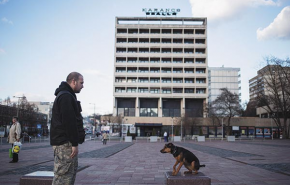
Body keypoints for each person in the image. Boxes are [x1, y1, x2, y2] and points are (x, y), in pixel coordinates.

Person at [50, 72, 85, 185]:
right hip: (65, 143)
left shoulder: (66, 95)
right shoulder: (66, 97)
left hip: (64, 142)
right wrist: (74, 143)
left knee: (67, 176)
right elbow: (69, 122)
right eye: (81, 83)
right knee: (64, 178)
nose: (82, 86)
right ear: (73, 81)